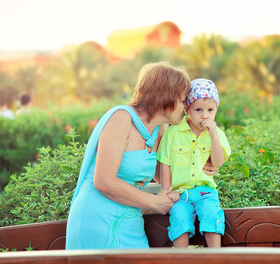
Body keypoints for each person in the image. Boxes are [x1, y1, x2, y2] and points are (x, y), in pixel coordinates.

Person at [66, 62, 218, 250]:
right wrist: (154, 202)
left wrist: (205, 164)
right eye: (182, 100)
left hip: (130, 220)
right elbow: (103, 180)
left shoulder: (160, 129)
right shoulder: (122, 118)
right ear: (166, 97)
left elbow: (167, 174)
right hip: (97, 218)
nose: (186, 105)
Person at [157, 78, 231, 248]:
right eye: (198, 109)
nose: (205, 115)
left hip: (205, 191)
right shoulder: (173, 133)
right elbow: (165, 163)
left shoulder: (217, 134)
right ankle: (182, 259)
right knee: (179, 219)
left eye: (210, 110)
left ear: (216, 110)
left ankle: (215, 256)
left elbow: (218, 162)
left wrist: (213, 136)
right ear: (187, 109)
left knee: (211, 213)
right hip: (180, 194)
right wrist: (167, 191)